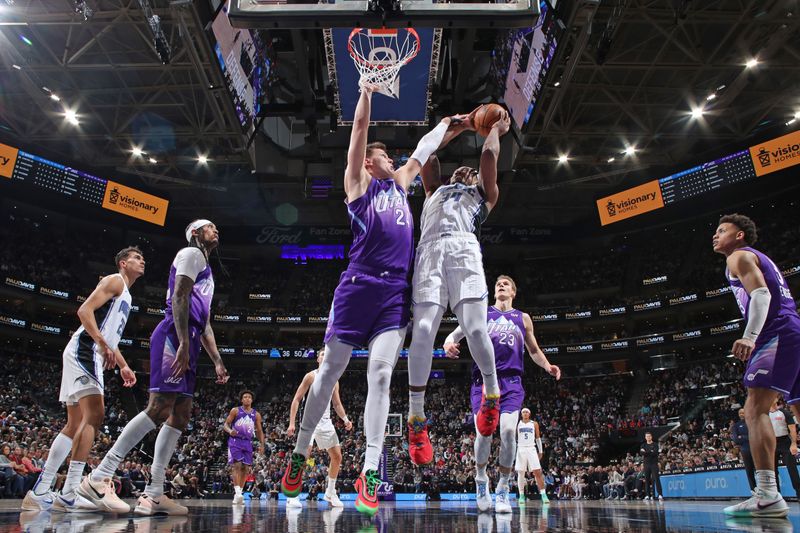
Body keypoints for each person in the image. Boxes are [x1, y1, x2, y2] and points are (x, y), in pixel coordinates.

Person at [279, 81, 470, 517]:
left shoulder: (402, 184)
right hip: (357, 288)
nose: (397, 161)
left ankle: (368, 471)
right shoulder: (359, 183)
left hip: (393, 295)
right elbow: (360, 127)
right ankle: (300, 452)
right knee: (329, 373)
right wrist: (364, 89)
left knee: (381, 378)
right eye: (387, 156)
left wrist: (450, 126)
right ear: (371, 160)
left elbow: (424, 149)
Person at [82, 220, 229, 516]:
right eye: (210, 227)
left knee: (181, 413)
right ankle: (99, 476)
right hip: (176, 334)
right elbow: (179, 297)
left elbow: (206, 321)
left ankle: (154, 493)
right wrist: (184, 343)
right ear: (196, 233)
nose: (216, 230)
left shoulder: (206, 269)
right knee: (159, 407)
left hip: (190, 335)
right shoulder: (191, 254)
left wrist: (216, 360)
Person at [408, 108, 511, 470]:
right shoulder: (434, 188)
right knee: (422, 333)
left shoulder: (483, 195)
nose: (465, 172)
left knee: (475, 327)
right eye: (461, 170)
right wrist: (458, 124)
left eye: (469, 173)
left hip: (464, 248)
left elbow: (486, 155)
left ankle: (492, 394)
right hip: (430, 251)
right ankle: (416, 420)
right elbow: (428, 154)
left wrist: (494, 128)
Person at [22, 247, 144, 512]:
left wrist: (123, 365)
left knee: (74, 422)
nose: (142, 261)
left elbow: (110, 337)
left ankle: (41, 491)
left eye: (142, 258)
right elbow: (84, 311)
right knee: (95, 416)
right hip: (85, 349)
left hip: (89, 351)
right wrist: (101, 344)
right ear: (123, 263)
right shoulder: (114, 280)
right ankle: (69, 492)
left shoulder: (128, 295)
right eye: (136, 257)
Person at [444, 274, 560, 512]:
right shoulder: (482, 312)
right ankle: (481, 480)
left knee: (508, 432)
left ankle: (504, 488)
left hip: (511, 382)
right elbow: (456, 334)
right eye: (498, 284)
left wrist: (548, 365)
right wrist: (448, 342)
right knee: (483, 433)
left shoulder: (523, 318)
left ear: (513, 292)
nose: (501, 285)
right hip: (484, 382)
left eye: (505, 284)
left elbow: (534, 349)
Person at [713, 214, 800, 518]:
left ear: (739, 236)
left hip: (774, 330)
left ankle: (766, 494)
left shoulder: (739, 256)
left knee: (755, 409)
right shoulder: (759, 258)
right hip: (792, 328)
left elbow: (761, 294)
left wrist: (750, 337)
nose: (716, 235)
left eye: (722, 231)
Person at [286, 348, 353, 509]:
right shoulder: (311, 376)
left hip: (326, 423)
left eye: (327, 354)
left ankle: (330, 492)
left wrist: (345, 419)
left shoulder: (334, 380)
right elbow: (296, 399)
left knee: (337, 456)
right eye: (322, 354)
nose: (325, 356)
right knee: (302, 456)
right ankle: (292, 494)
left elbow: (336, 404)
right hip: (309, 422)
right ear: (318, 359)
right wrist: (292, 423)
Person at [224, 390, 265, 505]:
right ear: (241, 400)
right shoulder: (235, 410)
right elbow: (226, 424)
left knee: (246, 469)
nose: (247, 398)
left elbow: (259, 431)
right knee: (237, 465)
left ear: (252, 400)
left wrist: (262, 444)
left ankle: (239, 494)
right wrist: (229, 430)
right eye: (245, 397)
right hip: (235, 441)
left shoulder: (256, 414)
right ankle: (237, 493)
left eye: (249, 397)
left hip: (247, 442)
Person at [513, 408, 549, 505]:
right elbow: (513, 438)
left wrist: (540, 451)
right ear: (521, 414)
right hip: (521, 448)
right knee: (521, 473)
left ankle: (543, 494)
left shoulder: (534, 423)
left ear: (529, 414)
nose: (525, 414)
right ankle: (521, 495)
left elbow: (538, 438)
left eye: (526, 412)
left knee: (537, 472)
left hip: (531, 448)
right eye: (523, 412)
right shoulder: (517, 424)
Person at [769, 398, 800, 498]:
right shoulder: (764, 415)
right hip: (771, 444)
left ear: (777, 399)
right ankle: (776, 497)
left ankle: (799, 494)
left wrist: (794, 443)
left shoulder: (784, 412)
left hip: (785, 442)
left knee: (792, 469)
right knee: (773, 472)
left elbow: (792, 429)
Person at [732, 407, 756, 491]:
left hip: (755, 450)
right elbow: (735, 439)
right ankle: (753, 490)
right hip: (745, 450)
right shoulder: (736, 425)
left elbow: (755, 436)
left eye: (743, 413)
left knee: (759, 470)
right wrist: (747, 437)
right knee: (749, 471)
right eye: (740, 413)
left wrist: (742, 436)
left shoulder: (752, 423)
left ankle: (763, 489)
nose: (741, 414)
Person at [640, 431, 662, 501]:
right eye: (647, 436)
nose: (648, 437)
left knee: (656, 479)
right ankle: (647, 495)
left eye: (649, 436)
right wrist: (650, 451)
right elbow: (641, 453)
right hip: (646, 464)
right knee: (647, 480)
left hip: (654, 464)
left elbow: (655, 453)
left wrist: (646, 452)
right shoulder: (643, 445)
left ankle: (660, 494)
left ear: (651, 437)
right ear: (645, 437)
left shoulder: (655, 444)